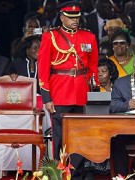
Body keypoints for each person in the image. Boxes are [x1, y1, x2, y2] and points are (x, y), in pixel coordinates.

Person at [37, 2, 98, 179]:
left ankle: (76, 172)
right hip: (59, 92)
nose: (75, 21)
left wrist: (93, 91)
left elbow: (93, 66)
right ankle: (60, 171)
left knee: (80, 135)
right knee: (60, 135)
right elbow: (43, 69)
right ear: (62, 17)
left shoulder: (89, 37)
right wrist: (47, 97)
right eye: (71, 18)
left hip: (82, 92)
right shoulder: (51, 36)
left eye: (77, 18)